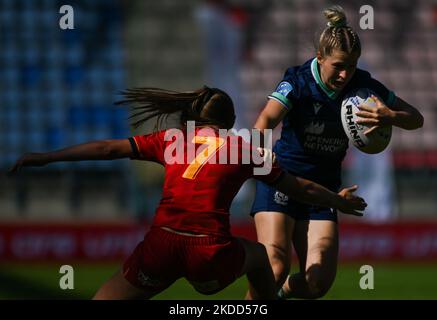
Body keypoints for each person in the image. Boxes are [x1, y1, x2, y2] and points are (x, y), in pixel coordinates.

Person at [10, 86, 367, 300]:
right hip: (208, 256)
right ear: (229, 121)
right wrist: (338, 200)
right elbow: (299, 187)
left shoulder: (171, 140)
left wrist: (47, 157)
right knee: (261, 256)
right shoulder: (243, 149)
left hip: (160, 247)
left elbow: (107, 149)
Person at [249, 5, 424, 299]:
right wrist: (262, 153)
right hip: (282, 182)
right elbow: (265, 120)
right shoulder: (298, 80)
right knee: (275, 269)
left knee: (317, 284)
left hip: (323, 191)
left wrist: (390, 116)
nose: (345, 74)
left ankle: (281, 294)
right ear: (320, 57)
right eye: (339, 66)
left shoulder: (363, 86)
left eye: (352, 66)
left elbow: (416, 118)